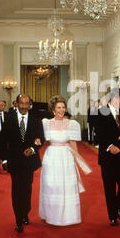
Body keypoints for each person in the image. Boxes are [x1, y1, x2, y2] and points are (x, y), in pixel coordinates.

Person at [39, 95, 91, 226]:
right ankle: (51, 215)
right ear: (53, 109)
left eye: (63, 107)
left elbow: (73, 143)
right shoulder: (46, 123)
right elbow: (40, 139)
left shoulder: (72, 124)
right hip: (51, 157)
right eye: (58, 107)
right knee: (52, 185)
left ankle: (68, 217)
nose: (61, 110)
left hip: (66, 157)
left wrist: (77, 160)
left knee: (67, 186)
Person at [2, 94, 45, 233]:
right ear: (16, 104)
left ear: (29, 104)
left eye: (27, 103)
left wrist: (33, 149)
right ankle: (18, 219)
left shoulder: (36, 119)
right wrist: (4, 159)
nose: (24, 106)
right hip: (14, 160)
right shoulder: (9, 118)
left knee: (27, 189)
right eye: (22, 103)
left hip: (29, 161)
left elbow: (41, 138)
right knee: (16, 190)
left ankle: (25, 212)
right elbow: (3, 141)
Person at [97, 88, 120, 226]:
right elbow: (100, 134)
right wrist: (110, 146)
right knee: (110, 187)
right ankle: (112, 215)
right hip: (108, 156)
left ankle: (119, 208)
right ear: (113, 99)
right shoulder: (101, 113)